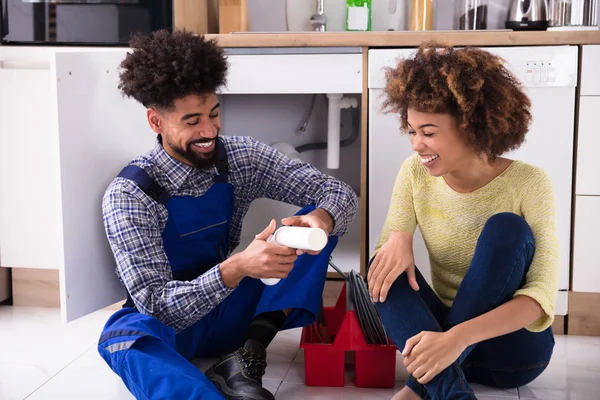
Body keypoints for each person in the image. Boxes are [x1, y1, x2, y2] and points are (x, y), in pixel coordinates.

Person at [97, 30, 358, 400]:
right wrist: (237, 267)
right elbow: (157, 306)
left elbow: (338, 193)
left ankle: (246, 357)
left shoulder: (239, 158)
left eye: (214, 114)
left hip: (231, 309)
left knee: (306, 228)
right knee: (121, 336)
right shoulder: (130, 194)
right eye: (192, 121)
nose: (209, 130)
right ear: (156, 122)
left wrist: (322, 219)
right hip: (175, 325)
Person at [368, 41, 559, 400]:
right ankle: (451, 392)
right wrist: (397, 238)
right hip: (440, 342)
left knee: (506, 228)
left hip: (510, 353)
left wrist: (457, 338)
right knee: (381, 265)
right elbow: (387, 268)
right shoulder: (413, 174)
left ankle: (419, 389)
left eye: (428, 132)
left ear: (471, 128)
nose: (415, 145)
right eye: (411, 131)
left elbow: (542, 297)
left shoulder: (530, 183)